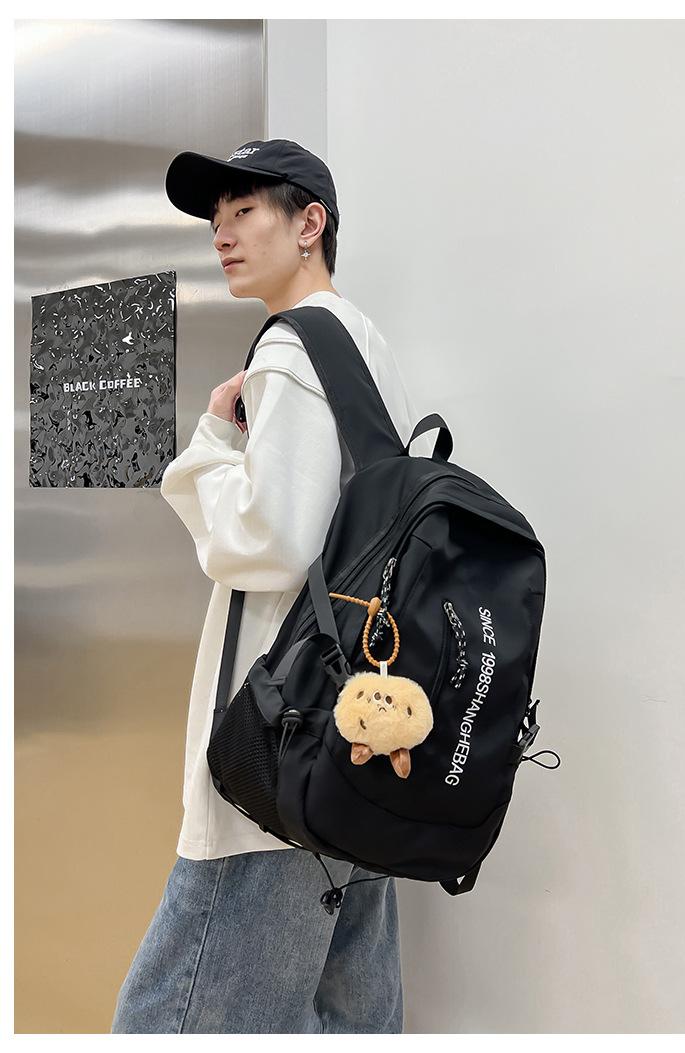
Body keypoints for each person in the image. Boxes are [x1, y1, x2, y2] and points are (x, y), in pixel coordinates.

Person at [111, 139, 424, 1034]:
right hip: (354, 747)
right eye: (217, 220)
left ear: (309, 222)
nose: (222, 234)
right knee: (347, 1019)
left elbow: (270, 542)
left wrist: (209, 448)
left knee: (169, 1022)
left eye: (244, 211)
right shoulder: (364, 347)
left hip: (276, 756)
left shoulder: (291, 351)